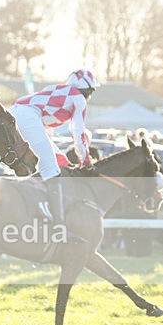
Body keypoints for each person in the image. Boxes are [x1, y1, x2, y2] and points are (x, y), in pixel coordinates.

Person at [9, 68, 98, 225]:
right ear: (87, 90)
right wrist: (86, 161)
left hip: (14, 112)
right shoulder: (79, 99)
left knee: (47, 164)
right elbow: (78, 133)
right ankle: (60, 225)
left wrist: (64, 161)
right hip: (27, 116)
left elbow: (47, 137)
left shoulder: (56, 90)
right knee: (51, 171)